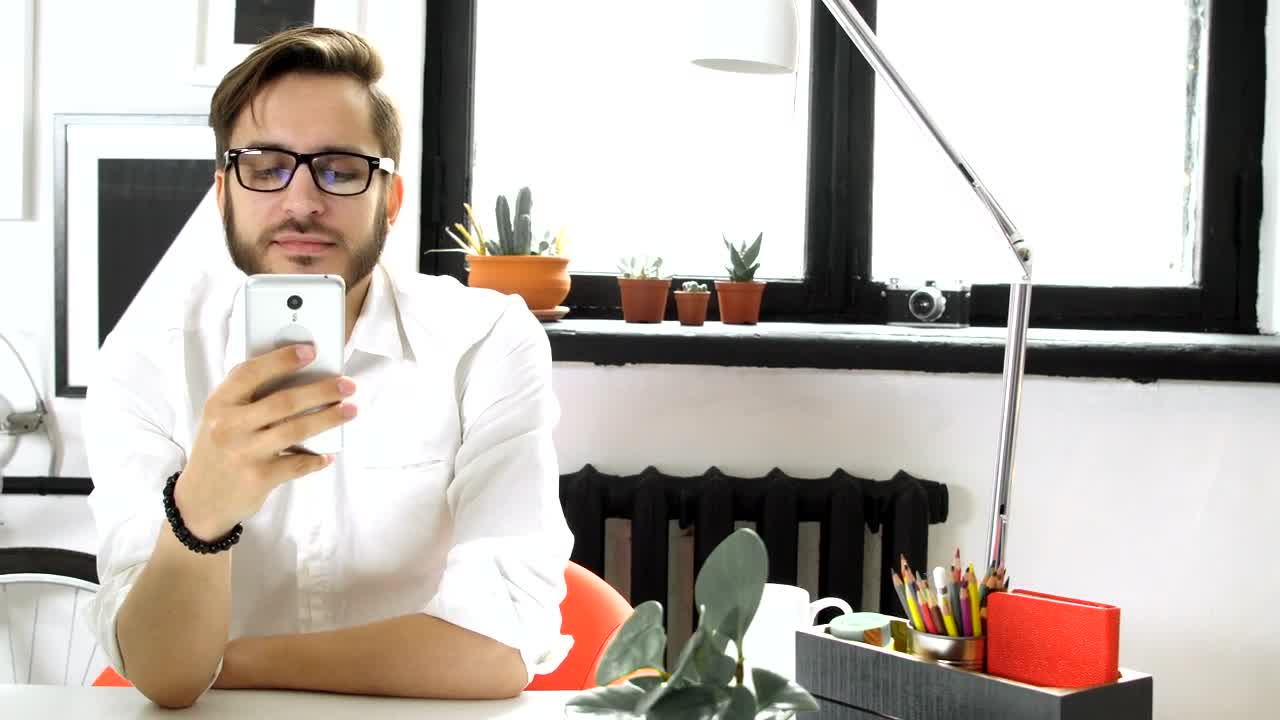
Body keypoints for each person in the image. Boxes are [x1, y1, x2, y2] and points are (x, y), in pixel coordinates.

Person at [81, 27, 573, 708]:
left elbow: (499, 646)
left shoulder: (486, 341)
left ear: (390, 202)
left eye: (340, 170)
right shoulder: (147, 361)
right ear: (223, 195)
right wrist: (201, 510)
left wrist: (223, 663)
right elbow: (163, 672)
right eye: (265, 165)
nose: (301, 202)